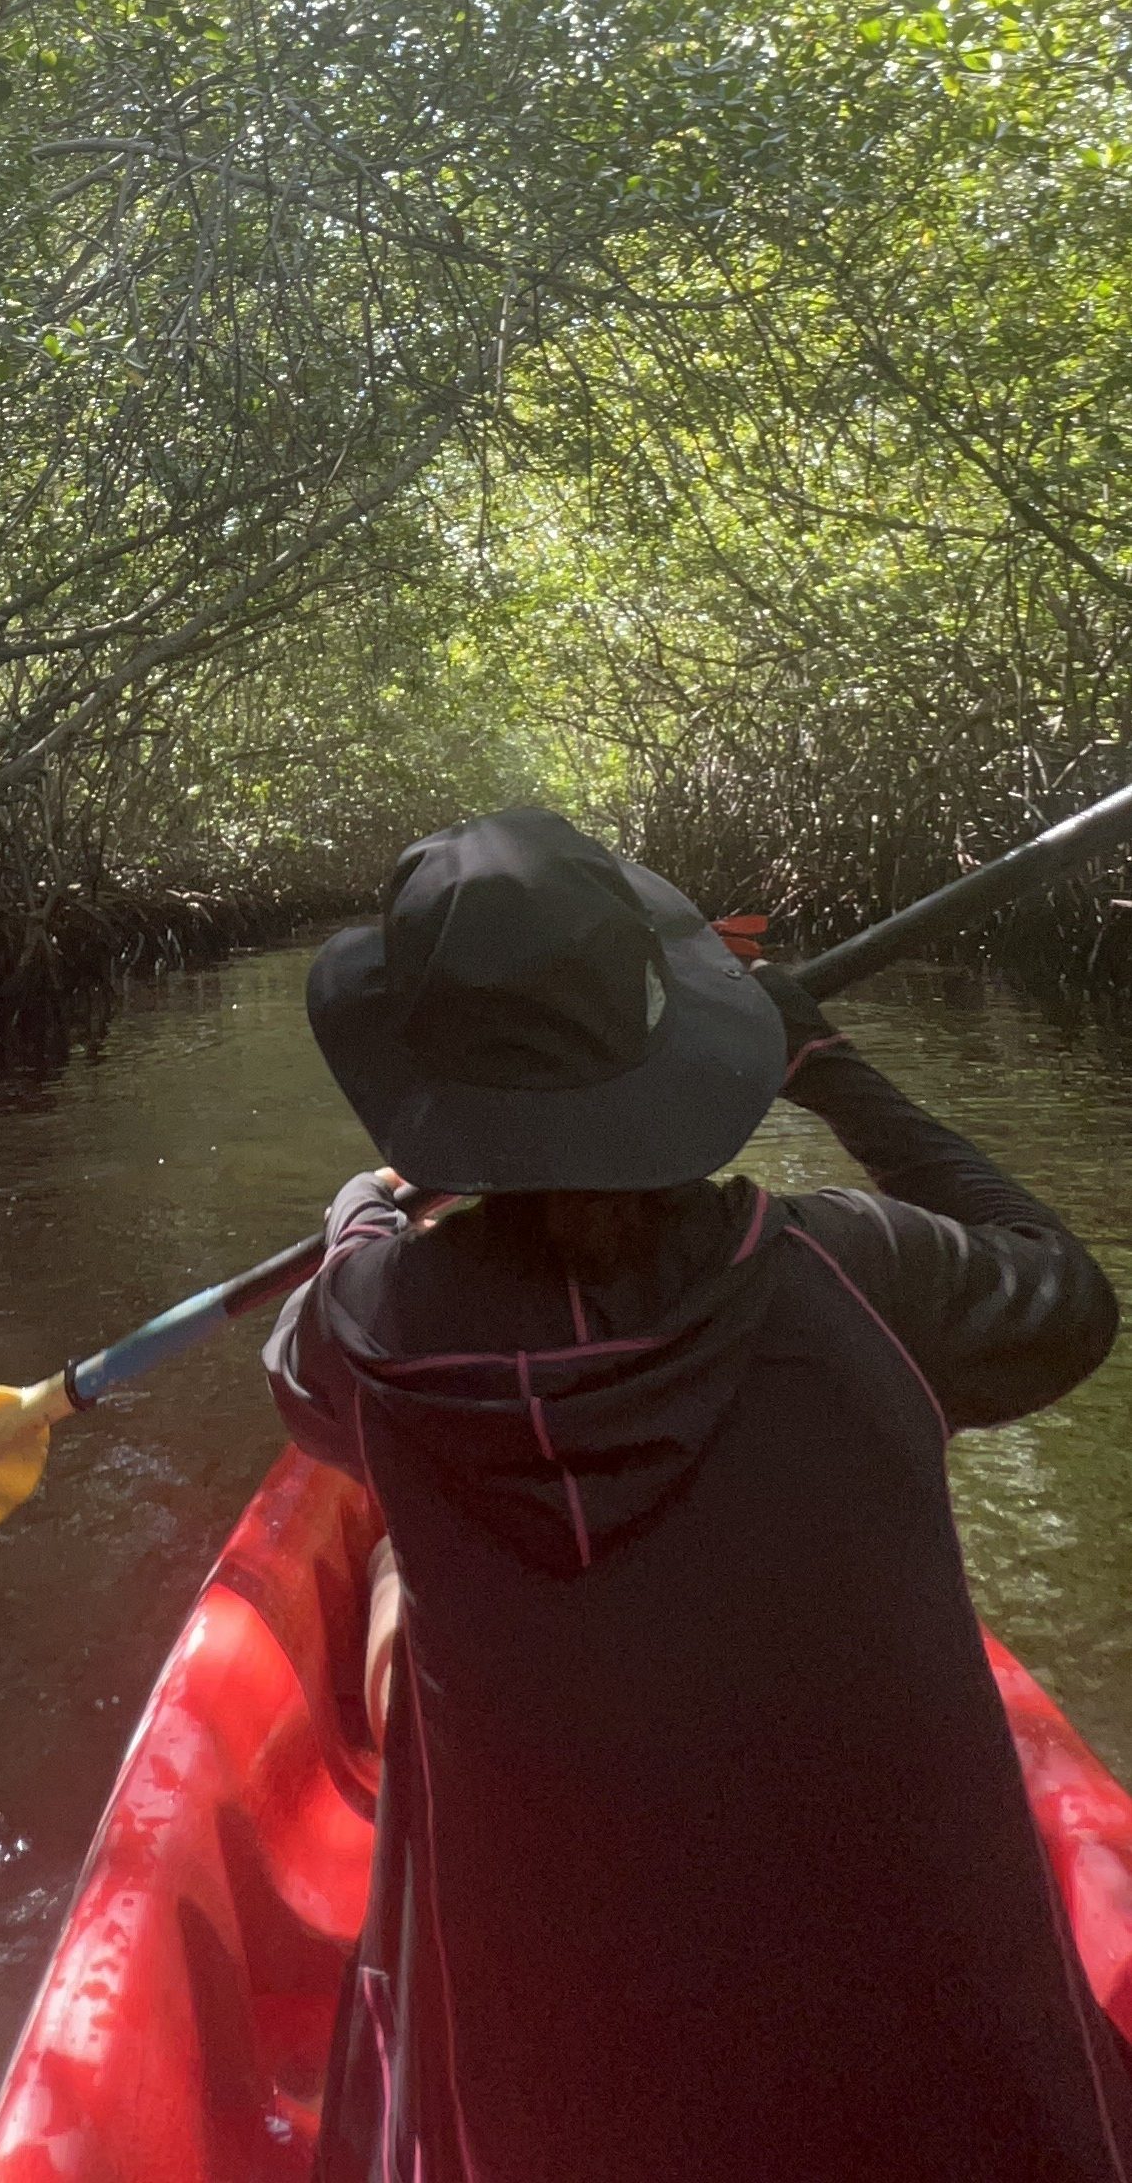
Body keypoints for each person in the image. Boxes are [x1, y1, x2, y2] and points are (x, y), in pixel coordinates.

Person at [264, 805, 1126, 2183]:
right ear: (671, 1038)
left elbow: (303, 1378)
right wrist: (831, 1069)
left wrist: (362, 1212)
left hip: (562, 2079)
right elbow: (1064, 1295)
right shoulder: (854, 1272)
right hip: (924, 2053)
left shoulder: (370, 1329)